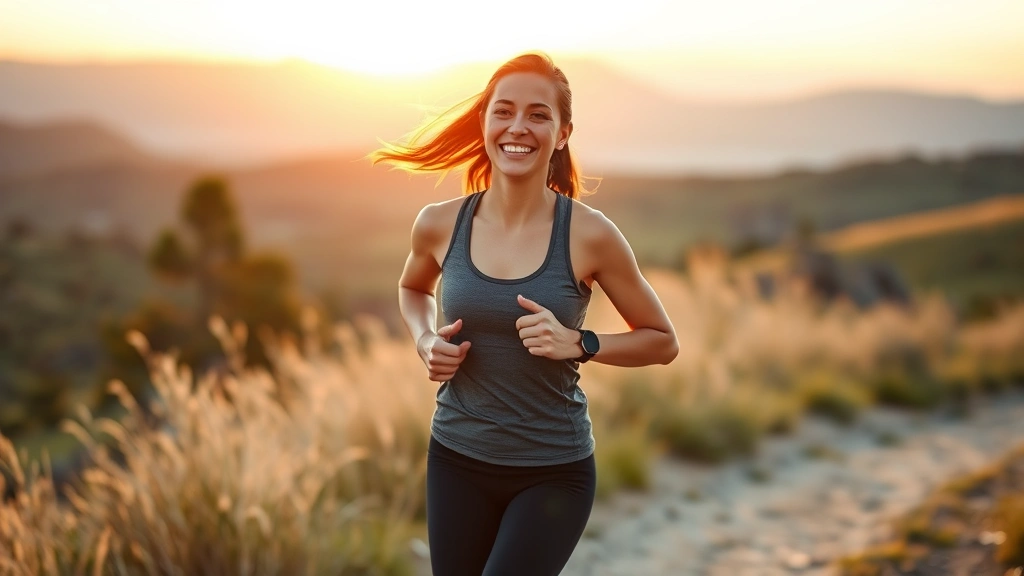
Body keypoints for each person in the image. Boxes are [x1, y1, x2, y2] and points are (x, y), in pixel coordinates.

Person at [371, 52, 679, 576]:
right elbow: (412, 288)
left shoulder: (590, 234)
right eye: (504, 111)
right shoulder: (439, 223)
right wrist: (425, 341)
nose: (518, 127)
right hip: (456, 458)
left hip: (553, 471)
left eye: (538, 115)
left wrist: (580, 342)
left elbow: (661, 340)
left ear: (561, 134)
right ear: (486, 123)